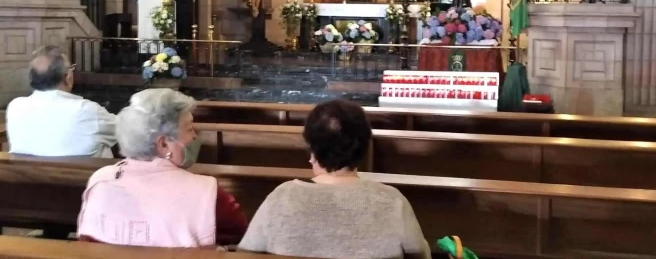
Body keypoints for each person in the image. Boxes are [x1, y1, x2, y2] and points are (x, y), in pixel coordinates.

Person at [238, 99, 432, 259]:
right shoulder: (392, 200)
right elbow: (421, 255)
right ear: (364, 149)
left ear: (312, 149)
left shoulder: (281, 197)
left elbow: (245, 253)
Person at [77, 89, 247, 247]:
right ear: (164, 143)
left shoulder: (101, 181)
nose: (195, 136)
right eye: (189, 129)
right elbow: (239, 231)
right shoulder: (206, 192)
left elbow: (88, 239)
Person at [6, 45, 117, 158]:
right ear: (68, 77)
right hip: (81, 175)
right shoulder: (87, 111)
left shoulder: (15, 107)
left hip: (27, 175)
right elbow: (126, 131)